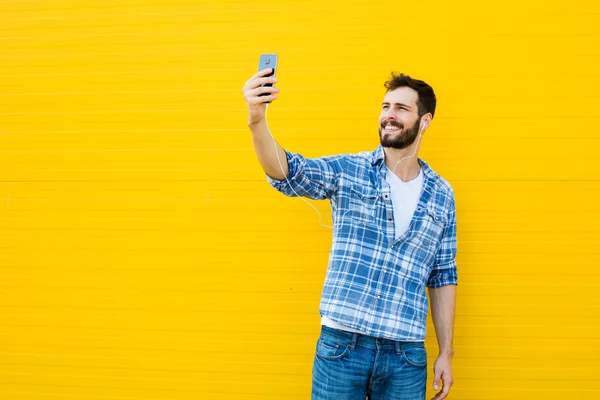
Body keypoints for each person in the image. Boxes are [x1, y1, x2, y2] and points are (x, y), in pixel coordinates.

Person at [242, 69, 457, 400]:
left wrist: (446, 351)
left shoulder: (442, 194)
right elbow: (287, 172)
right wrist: (257, 121)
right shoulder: (349, 171)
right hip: (342, 347)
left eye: (401, 108)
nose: (389, 115)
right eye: (385, 106)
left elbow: (442, 275)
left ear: (424, 121)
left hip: (406, 355)